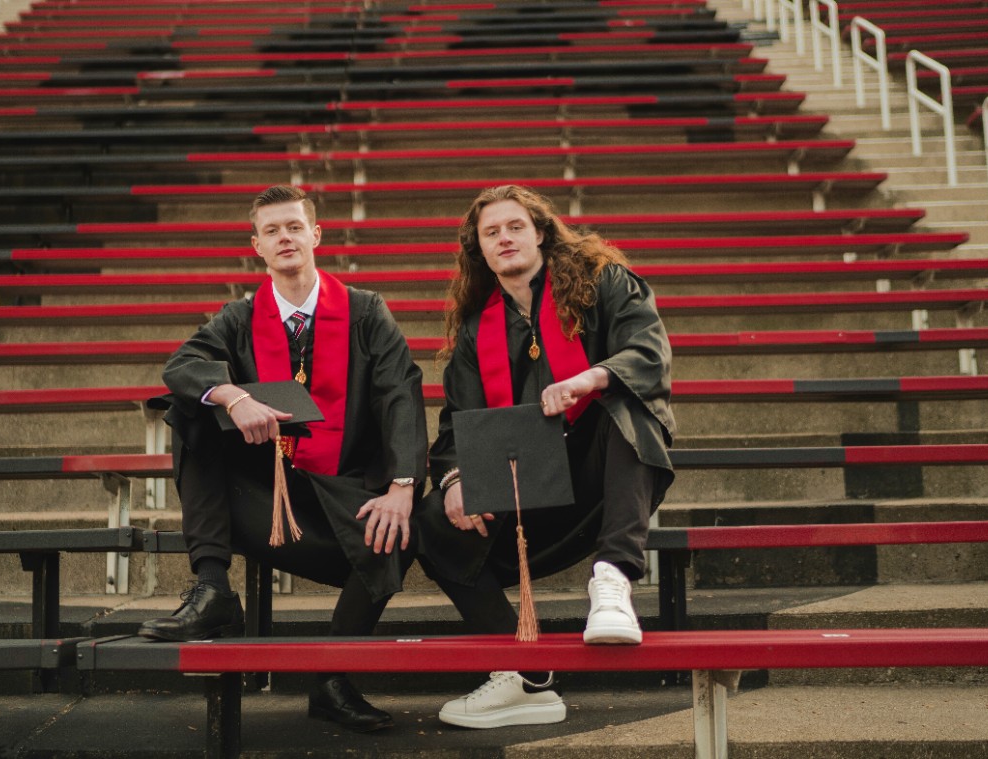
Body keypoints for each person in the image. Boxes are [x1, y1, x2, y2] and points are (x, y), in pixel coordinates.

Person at [140, 185, 427, 733]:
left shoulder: (365, 312)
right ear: (257, 246)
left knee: (403, 525)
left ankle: (332, 680)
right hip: (266, 494)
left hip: (344, 494)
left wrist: (402, 486)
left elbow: (400, 395)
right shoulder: (239, 317)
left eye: (294, 226)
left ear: (316, 235)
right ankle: (212, 586)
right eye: (272, 230)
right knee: (189, 407)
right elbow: (181, 364)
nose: (285, 237)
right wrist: (235, 396)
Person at [418, 184, 676, 729]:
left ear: (540, 232)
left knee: (621, 407)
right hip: (527, 487)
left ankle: (612, 580)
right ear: (480, 250)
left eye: (515, 226)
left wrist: (591, 377)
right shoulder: (475, 328)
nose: (504, 238)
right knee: (431, 521)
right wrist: (454, 481)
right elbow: (454, 429)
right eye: (491, 232)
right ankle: (523, 672)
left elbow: (648, 354)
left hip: (602, 476)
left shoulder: (603, 283)